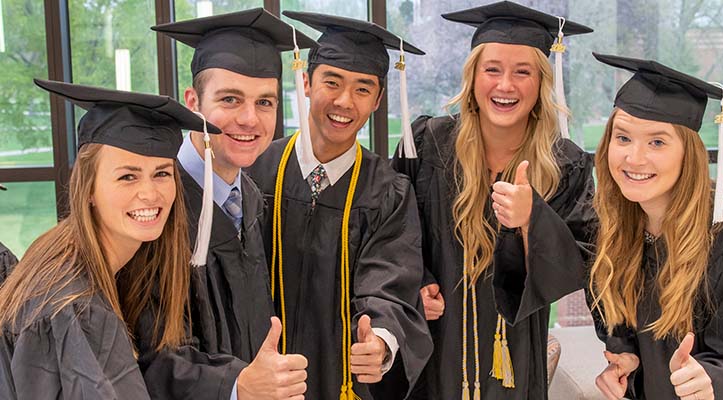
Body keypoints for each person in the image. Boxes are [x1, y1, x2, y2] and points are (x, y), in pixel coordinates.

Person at [392, 1, 595, 399]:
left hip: (515, 353)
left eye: (523, 72)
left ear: (541, 84)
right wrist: (416, 283)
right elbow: (393, 230)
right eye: (492, 69)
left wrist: (532, 222)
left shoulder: (564, 163)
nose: (506, 85)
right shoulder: (427, 144)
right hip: (435, 343)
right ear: (472, 77)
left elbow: (581, 258)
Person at [586, 53, 723, 400]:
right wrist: (626, 356)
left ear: (689, 153)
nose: (634, 158)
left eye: (657, 141)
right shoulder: (619, 227)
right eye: (623, 138)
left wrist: (716, 381)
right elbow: (619, 316)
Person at [247, 11, 432, 400]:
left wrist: (379, 341)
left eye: (363, 89)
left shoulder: (388, 192)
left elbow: (390, 282)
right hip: (259, 380)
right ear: (306, 82)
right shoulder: (254, 173)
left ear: (378, 99)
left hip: (343, 383)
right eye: (332, 81)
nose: (345, 102)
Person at [0, 79, 218, 399]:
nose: (149, 193)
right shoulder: (75, 306)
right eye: (127, 176)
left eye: (161, 173)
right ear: (88, 189)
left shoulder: (66, 255)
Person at [142, 8, 317, 400]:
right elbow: (147, 354)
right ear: (193, 102)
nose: (250, 119)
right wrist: (236, 385)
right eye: (230, 99)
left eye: (265, 102)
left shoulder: (251, 200)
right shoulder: (157, 210)